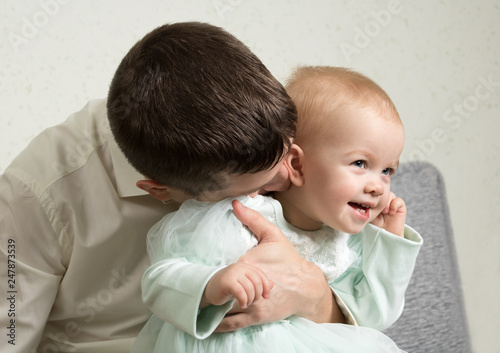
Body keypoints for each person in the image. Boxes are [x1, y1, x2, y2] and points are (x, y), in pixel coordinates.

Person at [0, 23, 343, 353]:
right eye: (260, 187)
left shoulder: (261, 129)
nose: (290, 179)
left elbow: (354, 300)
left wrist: (315, 297)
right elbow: (10, 336)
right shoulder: (33, 196)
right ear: (159, 190)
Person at [130, 66, 423, 352]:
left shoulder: (349, 245)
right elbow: (159, 281)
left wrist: (388, 243)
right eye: (360, 164)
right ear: (296, 164)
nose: (378, 186)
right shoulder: (238, 213)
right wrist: (210, 284)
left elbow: (375, 317)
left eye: (387, 170)